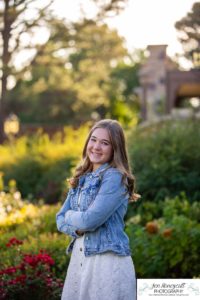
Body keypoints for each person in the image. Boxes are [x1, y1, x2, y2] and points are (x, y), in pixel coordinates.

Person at [56, 119, 140, 300]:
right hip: (80, 259)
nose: (96, 147)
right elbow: (59, 218)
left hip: (106, 262)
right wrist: (77, 228)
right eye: (93, 140)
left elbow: (89, 220)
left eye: (105, 143)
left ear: (115, 148)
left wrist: (71, 216)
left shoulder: (115, 178)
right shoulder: (82, 176)